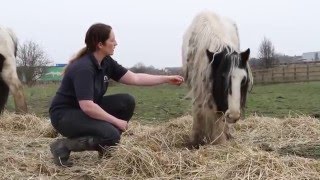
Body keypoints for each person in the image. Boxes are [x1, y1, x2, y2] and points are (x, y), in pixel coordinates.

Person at [49, 23, 184, 167]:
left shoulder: (106, 62)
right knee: (112, 133)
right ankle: (64, 146)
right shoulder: (84, 68)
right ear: (100, 44)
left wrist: (166, 79)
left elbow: (135, 78)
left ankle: (106, 146)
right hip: (65, 116)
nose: (116, 43)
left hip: (84, 110)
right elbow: (87, 106)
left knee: (126, 101)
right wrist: (116, 121)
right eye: (112, 40)